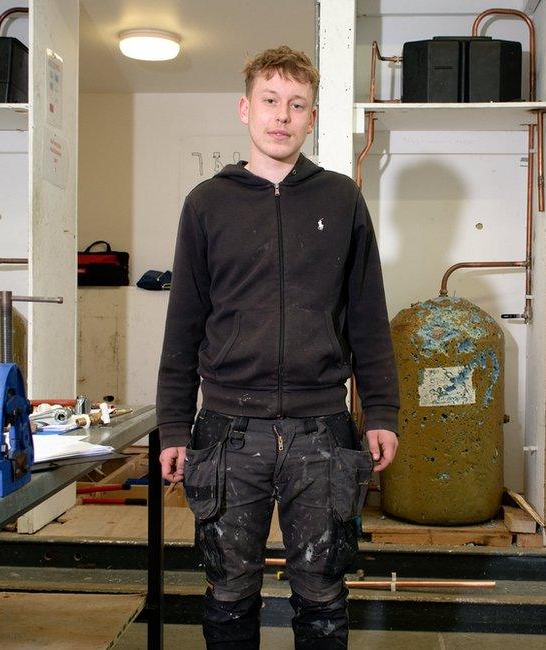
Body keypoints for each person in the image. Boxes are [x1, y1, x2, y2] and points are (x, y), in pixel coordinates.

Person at [156, 45, 400, 649]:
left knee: (322, 595)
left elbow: (368, 316)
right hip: (228, 433)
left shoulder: (341, 200)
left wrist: (383, 412)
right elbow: (184, 324)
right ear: (245, 109)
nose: (281, 116)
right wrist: (173, 427)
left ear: (312, 118)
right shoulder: (207, 204)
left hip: (322, 431)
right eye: (269, 101)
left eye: (296, 105)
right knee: (229, 593)